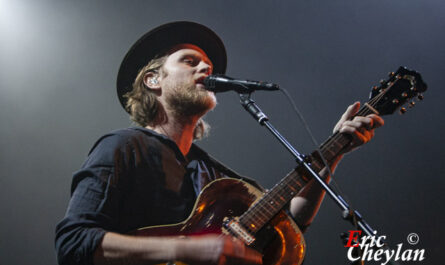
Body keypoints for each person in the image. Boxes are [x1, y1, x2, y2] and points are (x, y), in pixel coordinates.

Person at [55, 21, 384, 265]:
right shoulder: (122, 147)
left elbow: (290, 224)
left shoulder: (219, 180)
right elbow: (74, 242)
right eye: (189, 60)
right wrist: (185, 247)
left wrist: (334, 152)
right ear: (153, 80)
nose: (206, 67)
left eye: (207, 65)